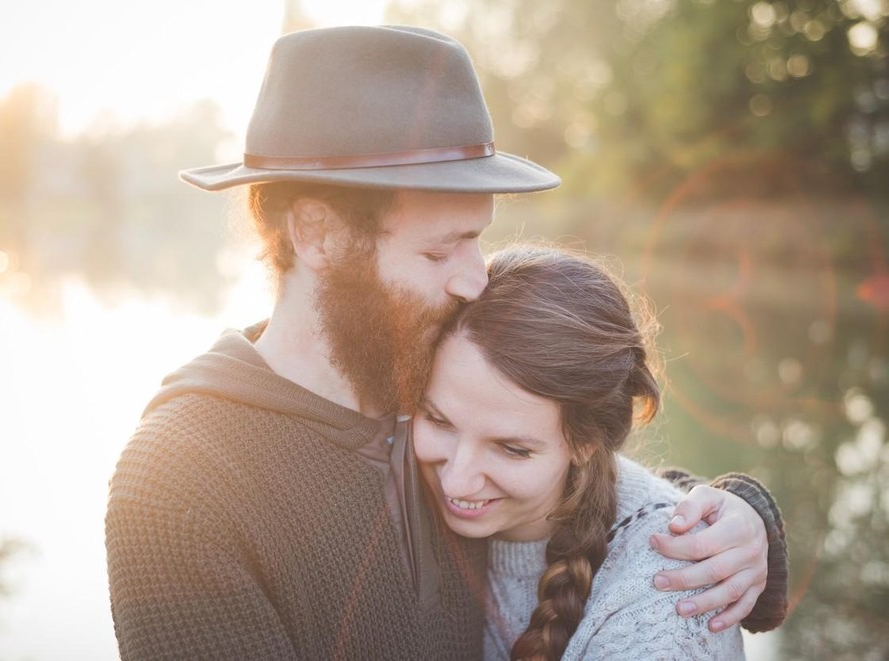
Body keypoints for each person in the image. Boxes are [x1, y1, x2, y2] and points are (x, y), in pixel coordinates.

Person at [105, 25, 787, 660]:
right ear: (319, 234)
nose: (473, 279)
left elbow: (561, 462)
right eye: (440, 251)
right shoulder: (179, 486)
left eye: (478, 238)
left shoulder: (422, 376)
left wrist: (731, 516)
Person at [413, 244, 785, 659]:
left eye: (512, 449)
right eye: (437, 420)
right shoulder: (391, 469)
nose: (456, 480)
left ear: (587, 440)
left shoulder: (668, 603)